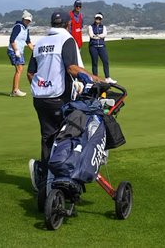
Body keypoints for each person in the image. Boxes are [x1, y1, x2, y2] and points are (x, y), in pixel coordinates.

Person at [27, 11, 108, 189]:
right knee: (68, 136)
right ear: (68, 24)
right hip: (59, 97)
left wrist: (43, 86)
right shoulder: (67, 40)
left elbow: (30, 74)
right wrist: (96, 78)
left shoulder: (40, 43)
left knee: (48, 137)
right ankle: (64, 179)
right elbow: (72, 68)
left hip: (39, 98)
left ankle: (44, 176)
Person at [8, 11, 35, 97]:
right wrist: (16, 50)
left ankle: (14, 90)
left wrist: (35, 51)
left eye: (29, 21)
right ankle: (15, 91)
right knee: (19, 69)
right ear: (23, 19)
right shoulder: (18, 27)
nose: (28, 22)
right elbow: (12, 40)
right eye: (27, 20)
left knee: (19, 69)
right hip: (13, 50)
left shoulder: (26, 29)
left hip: (20, 51)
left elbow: (28, 42)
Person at [88, 11, 110, 79]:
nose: (98, 20)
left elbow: (104, 34)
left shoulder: (103, 27)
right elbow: (91, 35)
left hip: (101, 46)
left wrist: (98, 36)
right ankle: (95, 78)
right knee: (95, 62)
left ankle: (107, 77)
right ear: (94, 18)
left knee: (105, 61)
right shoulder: (90, 27)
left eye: (99, 19)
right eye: (97, 18)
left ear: (101, 20)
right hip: (93, 46)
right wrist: (99, 36)